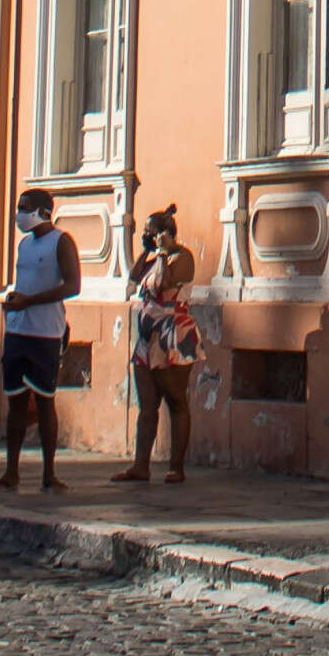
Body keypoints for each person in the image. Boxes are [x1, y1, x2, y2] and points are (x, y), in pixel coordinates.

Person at [0, 188, 78, 491]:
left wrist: (30, 301)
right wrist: (16, 299)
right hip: (17, 329)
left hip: (45, 333)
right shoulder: (25, 245)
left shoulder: (61, 242)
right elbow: (24, 283)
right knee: (15, 403)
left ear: (43, 211)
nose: (18, 214)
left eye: (24, 208)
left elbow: (72, 285)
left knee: (44, 403)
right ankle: (10, 472)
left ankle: (49, 474)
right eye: (18, 207)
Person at [113, 206, 199, 483]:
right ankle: (141, 465)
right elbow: (135, 277)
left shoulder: (182, 257)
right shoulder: (153, 258)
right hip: (147, 338)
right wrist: (146, 252)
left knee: (176, 401)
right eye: (146, 233)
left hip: (173, 336)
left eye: (152, 232)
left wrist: (163, 253)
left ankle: (177, 466)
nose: (149, 236)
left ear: (167, 233)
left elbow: (164, 284)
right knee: (147, 404)